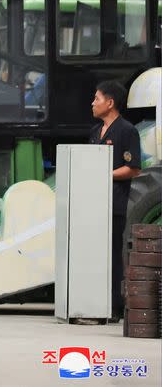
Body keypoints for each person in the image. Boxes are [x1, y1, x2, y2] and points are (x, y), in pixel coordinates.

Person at [89, 80, 141, 322]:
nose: (93, 103)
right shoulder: (93, 132)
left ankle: (114, 307)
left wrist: (104, 174)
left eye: (97, 99)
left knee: (111, 256)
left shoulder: (127, 131)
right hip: (91, 204)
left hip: (114, 203)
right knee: (93, 255)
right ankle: (93, 303)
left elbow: (133, 169)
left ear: (110, 103)